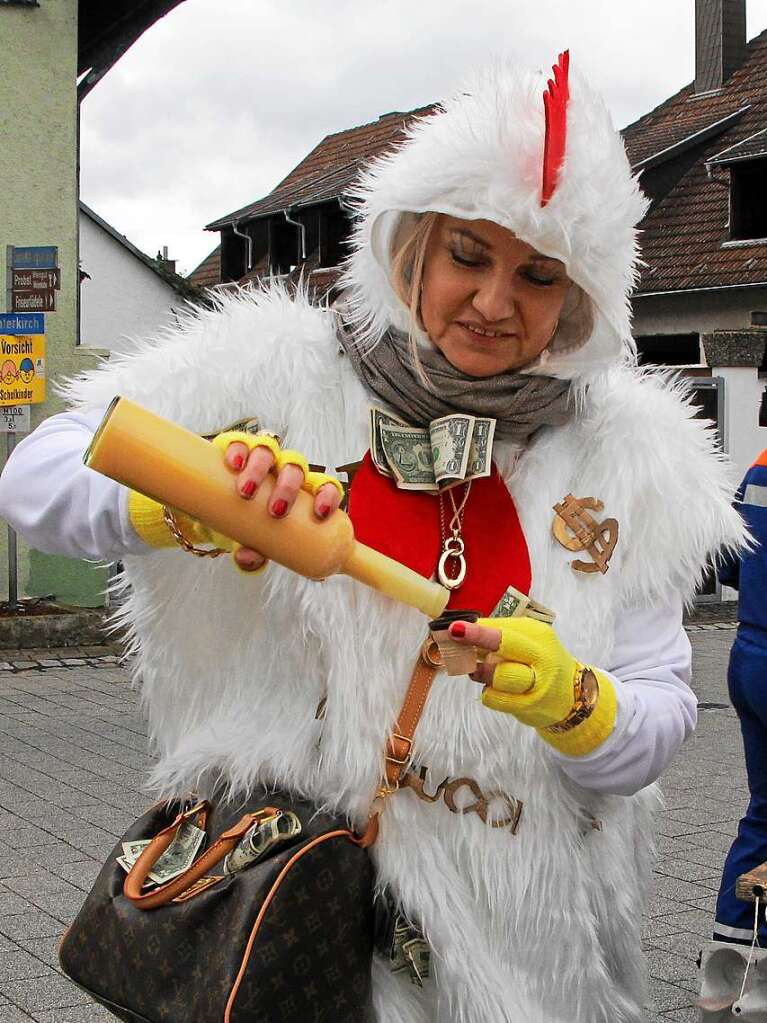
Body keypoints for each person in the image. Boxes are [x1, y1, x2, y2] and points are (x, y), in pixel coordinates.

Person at [0, 54, 747, 1023]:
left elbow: (651, 724)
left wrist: (576, 703)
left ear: (577, 299)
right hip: (287, 916)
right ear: (411, 252)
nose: (491, 302)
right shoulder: (271, 371)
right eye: (467, 257)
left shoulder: (635, 465)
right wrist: (182, 502)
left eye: (536, 275)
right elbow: (38, 475)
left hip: (523, 953)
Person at [714, 447, 767, 946]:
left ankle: (731, 964)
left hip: (752, 655)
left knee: (764, 812)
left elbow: (728, 562)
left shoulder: (761, 465)